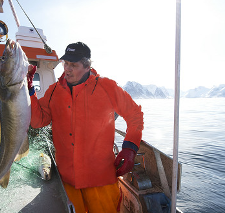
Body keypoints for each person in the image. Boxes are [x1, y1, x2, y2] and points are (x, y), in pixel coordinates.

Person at [27, 42, 144, 213]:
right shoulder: (53, 91)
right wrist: (30, 90)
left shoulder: (107, 86)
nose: (67, 69)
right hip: (68, 181)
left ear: (88, 66)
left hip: (101, 181)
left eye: (73, 65)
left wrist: (130, 148)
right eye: (65, 63)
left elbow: (135, 114)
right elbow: (38, 121)